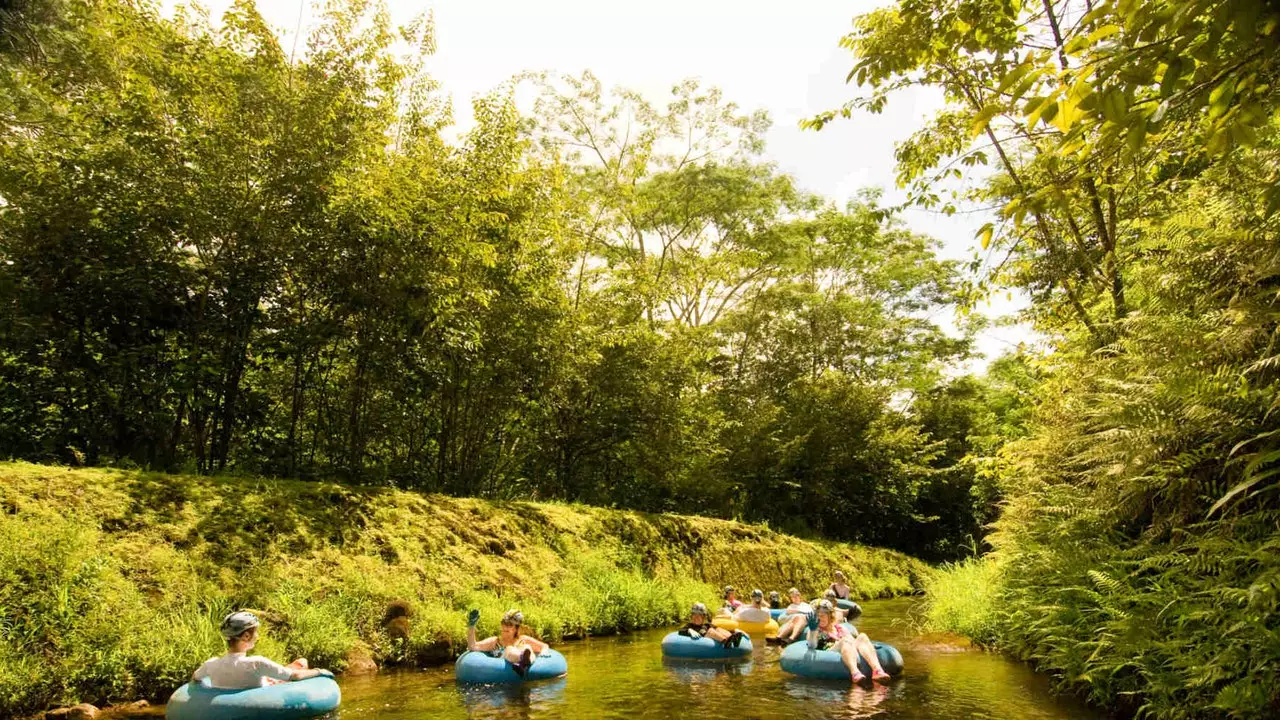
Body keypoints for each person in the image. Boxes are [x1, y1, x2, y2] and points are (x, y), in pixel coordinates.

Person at [192, 611, 330, 689]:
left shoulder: (211, 664)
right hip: (266, 694)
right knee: (302, 662)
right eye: (255, 632)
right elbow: (295, 676)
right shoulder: (256, 663)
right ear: (246, 636)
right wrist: (321, 671)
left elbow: (195, 678)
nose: (257, 636)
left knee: (296, 664)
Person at [806, 601, 891, 685]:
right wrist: (813, 630)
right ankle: (855, 672)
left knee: (862, 636)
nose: (819, 618)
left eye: (822, 616)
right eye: (817, 616)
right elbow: (811, 645)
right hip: (829, 651)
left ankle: (877, 670)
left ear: (830, 616)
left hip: (846, 649)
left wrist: (868, 646)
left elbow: (852, 642)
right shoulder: (814, 630)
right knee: (845, 640)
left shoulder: (840, 628)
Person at [466, 608, 550, 677]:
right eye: (503, 627)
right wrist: (471, 626)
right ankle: (522, 660)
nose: (504, 630)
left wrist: (544, 652)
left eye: (508, 628)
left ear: (516, 629)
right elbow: (472, 646)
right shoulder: (495, 641)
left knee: (527, 647)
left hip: (521, 666)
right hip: (501, 670)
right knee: (509, 649)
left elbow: (544, 646)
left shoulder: (523, 639)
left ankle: (524, 664)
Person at [679, 602, 748, 647]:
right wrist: (690, 630)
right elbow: (681, 630)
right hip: (706, 637)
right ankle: (725, 641)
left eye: (699, 615)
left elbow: (719, 629)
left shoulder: (707, 625)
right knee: (710, 631)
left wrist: (734, 631)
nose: (696, 617)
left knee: (717, 629)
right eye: (694, 615)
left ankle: (732, 638)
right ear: (691, 616)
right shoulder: (690, 626)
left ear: (703, 617)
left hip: (712, 632)